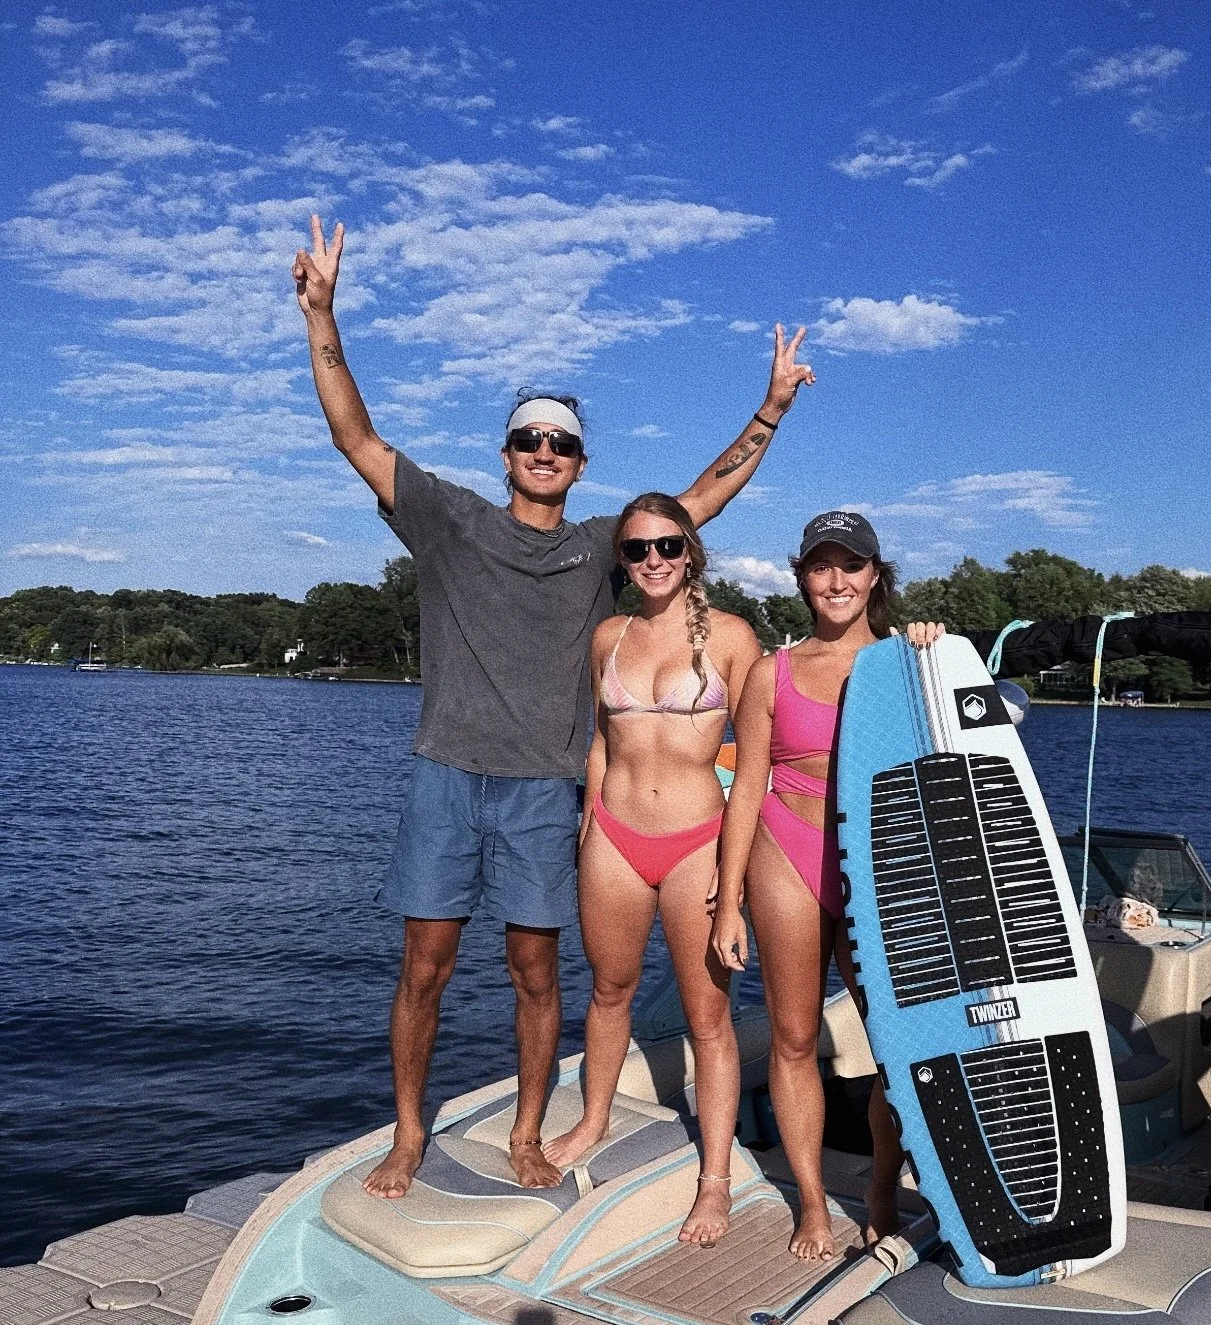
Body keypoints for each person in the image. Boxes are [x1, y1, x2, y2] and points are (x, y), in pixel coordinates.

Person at [290, 214, 815, 1198]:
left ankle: (531, 1133)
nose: (544, 452)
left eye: (561, 444)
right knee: (424, 974)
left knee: (539, 977)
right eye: (529, 439)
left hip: (543, 793)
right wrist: (322, 315)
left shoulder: (610, 550)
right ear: (506, 455)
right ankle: (408, 1135)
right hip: (447, 774)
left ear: (578, 467)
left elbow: (703, 498)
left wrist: (773, 407)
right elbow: (355, 436)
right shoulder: (447, 520)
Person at [711, 509, 942, 1258]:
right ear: (802, 575)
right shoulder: (768, 672)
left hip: (879, 858)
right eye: (820, 565)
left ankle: (880, 1185)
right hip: (788, 847)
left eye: (852, 565)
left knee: (896, 1044)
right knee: (793, 1036)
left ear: (876, 576)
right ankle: (811, 1200)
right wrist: (726, 899)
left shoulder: (910, 662)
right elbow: (745, 787)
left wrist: (936, 651)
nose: (835, 580)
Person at [542, 495, 761, 1245]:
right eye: (637, 550)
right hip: (612, 835)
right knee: (608, 991)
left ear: (691, 550)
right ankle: (593, 1120)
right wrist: (586, 829)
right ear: (624, 561)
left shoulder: (733, 638)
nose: (654, 561)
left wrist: (732, 884)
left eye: (667, 546)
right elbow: (601, 743)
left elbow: (756, 767)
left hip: (697, 838)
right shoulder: (609, 634)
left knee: (708, 1018)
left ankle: (715, 1179)